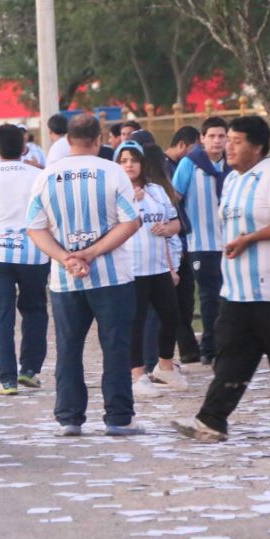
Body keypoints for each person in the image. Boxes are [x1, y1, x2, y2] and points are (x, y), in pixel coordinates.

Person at [173, 116, 270, 443]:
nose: (229, 147)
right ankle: (212, 420)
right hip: (238, 292)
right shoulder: (233, 180)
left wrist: (250, 239)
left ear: (258, 147)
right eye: (228, 141)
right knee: (231, 358)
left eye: (237, 141)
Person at [27, 113, 143, 436]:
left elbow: (34, 229)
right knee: (116, 346)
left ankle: (69, 418)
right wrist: (91, 253)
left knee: (68, 347)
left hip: (65, 279)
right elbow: (131, 221)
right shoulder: (112, 172)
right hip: (112, 277)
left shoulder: (46, 177)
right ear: (99, 139)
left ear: (66, 140)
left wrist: (66, 257)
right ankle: (119, 418)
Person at [0, 123, 50, 395]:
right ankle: (30, 370)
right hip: (34, 254)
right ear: (23, 147)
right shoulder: (38, 175)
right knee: (34, 311)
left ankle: (6, 378)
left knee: (0, 316)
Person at [114, 140, 186, 395]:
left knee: (170, 316)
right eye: (123, 160)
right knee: (136, 322)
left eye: (134, 159)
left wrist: (170, 263)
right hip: (131, 269)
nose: (129, 165)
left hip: (158, 267)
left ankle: (164, 366)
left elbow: (175, 224)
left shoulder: (157, 190)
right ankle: (137, 375)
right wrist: (131, 199)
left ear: (143, 163)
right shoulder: (114, 191)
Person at [172, 116, 229, 364]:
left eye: (221, 136)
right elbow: (174, 198)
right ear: (202, 139)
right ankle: (210, 347)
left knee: (230, 297)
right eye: (212, 136)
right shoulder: (189, 164)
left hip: (230, 243)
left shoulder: (232, 164)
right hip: (201, 243)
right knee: (209, 297)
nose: (217, 141)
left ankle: (227, 344)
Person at [164, 126, 202, 363]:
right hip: (172, 241)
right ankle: (184, 348)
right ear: (182, 146)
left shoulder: (179, 165)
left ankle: (188, 348)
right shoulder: (169, 167)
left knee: (186, 298)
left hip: (184, 237)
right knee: (176, 300)